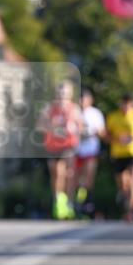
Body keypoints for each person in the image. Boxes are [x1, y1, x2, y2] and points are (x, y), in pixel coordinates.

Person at [37, 80, 82, 220]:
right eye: (60, 91)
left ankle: (69, 202)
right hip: (52, 146)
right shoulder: (49, 108)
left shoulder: (74, 108)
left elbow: (81, 126)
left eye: (65, 92)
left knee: (68, 173)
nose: (62, 94)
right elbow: (39, 126)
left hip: (68, 145)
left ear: (70, 93)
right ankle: (58, 200)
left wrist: (74, 129)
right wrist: (51, 126)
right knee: (56, 174)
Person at [105, 94, 133, 222]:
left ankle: (131, 211)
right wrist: (117, 139)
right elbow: (106, 136)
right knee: (123, 184)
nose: (126, 107)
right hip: (118, 154)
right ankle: (126, 206)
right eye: (124, 104)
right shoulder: (113, 116)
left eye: (129, 105)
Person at [74, 88, 105, 218]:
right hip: (76, 151)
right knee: (76, 179)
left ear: (90, 99)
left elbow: (103, 132)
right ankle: (77, 203)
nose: (82, 101)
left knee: (88, 177)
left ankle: (88, 203)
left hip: (90, 150)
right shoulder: (74, 112)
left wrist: (92, 132)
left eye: (84, 98)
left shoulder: (95, 113)